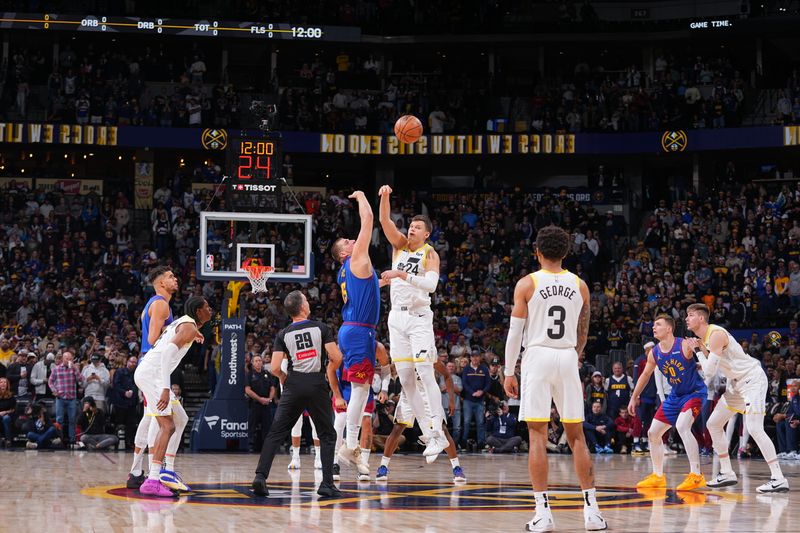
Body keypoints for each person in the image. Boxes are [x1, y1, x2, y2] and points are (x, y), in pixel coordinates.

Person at [503, 225, 607, 532]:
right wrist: (575, 355)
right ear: (566, 252)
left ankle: (543, 513)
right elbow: (582, 331)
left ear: (536, 251)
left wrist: (510, 370)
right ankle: (592, 512)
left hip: (537, 356)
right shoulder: (580, 285)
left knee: (537, 434)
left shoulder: (526, 283)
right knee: (577, 435)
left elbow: (514, 333)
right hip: (567, 356)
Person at [685, 303, 789, 493]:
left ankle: (778, 477)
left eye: (690, 315)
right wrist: (701, 349)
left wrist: (697, 352)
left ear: (701, 318)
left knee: (755, 428)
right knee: (713, 423)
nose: (686, 319)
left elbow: (709, 372)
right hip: (736, 385)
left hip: (751, 380)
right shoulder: (706, 339)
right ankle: (726, 472)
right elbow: (713, 363)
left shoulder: (715, 334)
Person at [378, 184, 449, 459]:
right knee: (406, 378)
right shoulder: (400, 246)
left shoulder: (430, 254)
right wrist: (385, 197)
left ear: (427, 234)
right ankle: (430, 434)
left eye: (417, 227)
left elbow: (431, 285)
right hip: (397, 318)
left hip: (419, 317)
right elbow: (384, 221)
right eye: (410, 226)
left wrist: (400, 275)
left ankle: (438, 431)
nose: (411, 229)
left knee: (425, 372)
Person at [252, 291, 342, 498]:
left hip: (293, 384)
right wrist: (329, 370)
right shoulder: (321, 328)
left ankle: (260, 477)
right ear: (303, 307)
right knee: (327, 435)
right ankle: (327, 484)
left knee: (276, 432)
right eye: (307, 301)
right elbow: (336, 357)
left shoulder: (283, 334)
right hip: (316, 383)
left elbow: (274, 367)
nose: (309, 303)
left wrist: (284, 377)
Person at [331, 190, 389, 476]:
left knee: (360, 389)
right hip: (358, 333)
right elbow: (368, 219)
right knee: (360, 390)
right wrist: (363, 196)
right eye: (347, 242)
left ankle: (350, 446)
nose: (353, 241)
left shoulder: (348, 270)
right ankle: (349, 445)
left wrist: (384, 283)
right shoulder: (356, 259)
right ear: (344, 252)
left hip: (355, 330)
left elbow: (366, 292)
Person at [134, 296, 210, 497]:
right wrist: (166, 388)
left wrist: (194, 334)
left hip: (152, 373)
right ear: (199, 311)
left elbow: (174, 335)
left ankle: (167, 471)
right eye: (207, 307)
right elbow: (167, 353)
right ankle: (152, 479)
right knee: (167, 426)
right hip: (153, 376)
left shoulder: (186, 323)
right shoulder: (189, 327)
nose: (210, 310)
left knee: (181, 418)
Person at [628, 314, 707, 491]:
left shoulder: (684, 344)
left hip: (694, 393)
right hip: (675, 396)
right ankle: (657, 476)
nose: (654, 327)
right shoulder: (654, 353)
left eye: (658, 324)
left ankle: (696, 475)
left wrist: (701, 347)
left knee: (682, 426)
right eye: (654, 325)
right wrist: (634, 397)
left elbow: (709, 360)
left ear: (669, 329)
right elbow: (645, 375)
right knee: (653, 433)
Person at [375, 357, 466, 484]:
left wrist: (451, 400)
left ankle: (457, 468)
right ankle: (383, 467)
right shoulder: (404, 354)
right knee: (396, 430)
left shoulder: (429, 356)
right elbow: (386, 369)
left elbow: (447, 376)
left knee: (443, 431)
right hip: (408, 396)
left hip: (428, 397)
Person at [127, 266, 177, 490]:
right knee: (160, 422)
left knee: (150, 419)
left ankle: (137, 472)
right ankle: (151, 474)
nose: (174, 279)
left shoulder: (157, 304)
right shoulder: (160, 304)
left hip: (152, 365)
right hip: (153, 366)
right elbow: (153, 337)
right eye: (169, 277)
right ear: (160, 283)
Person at [48, 351, 82, 446]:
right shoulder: (56, 369)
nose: (69, 360)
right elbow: (50, 381)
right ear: (63, 359)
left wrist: (75, 369)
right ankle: (60, 439)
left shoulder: (74, 369)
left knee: (72, 420)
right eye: (67, 358)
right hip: (60, 398)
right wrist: (54, 390)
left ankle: (72, 439)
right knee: (59, 420)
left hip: (71, 398)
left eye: (70, 359)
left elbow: (80, 379)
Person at [245, 354, 277, 453]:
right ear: (252, 363)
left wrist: (269, 399)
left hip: (266, 405)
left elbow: (272, 388)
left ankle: (266, 447)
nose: (258, 362)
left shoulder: (267, 373)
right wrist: (260, 399)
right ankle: (250, 446)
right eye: (256, 361)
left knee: (267, 426)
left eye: (260, 360)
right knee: (252, 426)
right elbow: (247, 390)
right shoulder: (249, 374)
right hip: (254, 404)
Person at [109, 355, 139, 451]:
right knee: (119, 423)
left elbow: (136, 384)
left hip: (132, 403)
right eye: (131, 362)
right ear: (127, 362)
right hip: (120, 403)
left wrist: (132, 392)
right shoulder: (120, 372)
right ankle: (116, 443)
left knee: (131, 424)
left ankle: (129, 443)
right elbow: (116, 385)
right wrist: (124, 392)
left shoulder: (136, 373)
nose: (133, 364)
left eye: (135, 362)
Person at [0, 377, 16, 447]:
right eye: (1, 382)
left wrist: (5, 412)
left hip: (8, 414)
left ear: (7, 385)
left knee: (6, 418)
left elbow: (13, 409)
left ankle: (8, 440)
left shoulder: (11, 395)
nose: (3, 384)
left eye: (5, 382)